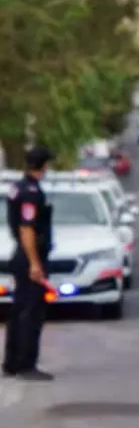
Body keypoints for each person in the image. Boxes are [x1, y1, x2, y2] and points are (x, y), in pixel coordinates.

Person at [3, 146, 56, 381]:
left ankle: (12, 362)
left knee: (19, 310)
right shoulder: (32, 193)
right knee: (31, 312)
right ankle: (25, 364)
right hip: (29, 257)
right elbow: (27, 229)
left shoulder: (18, 187)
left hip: (22, 255)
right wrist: (35, 264)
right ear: (43, 165)